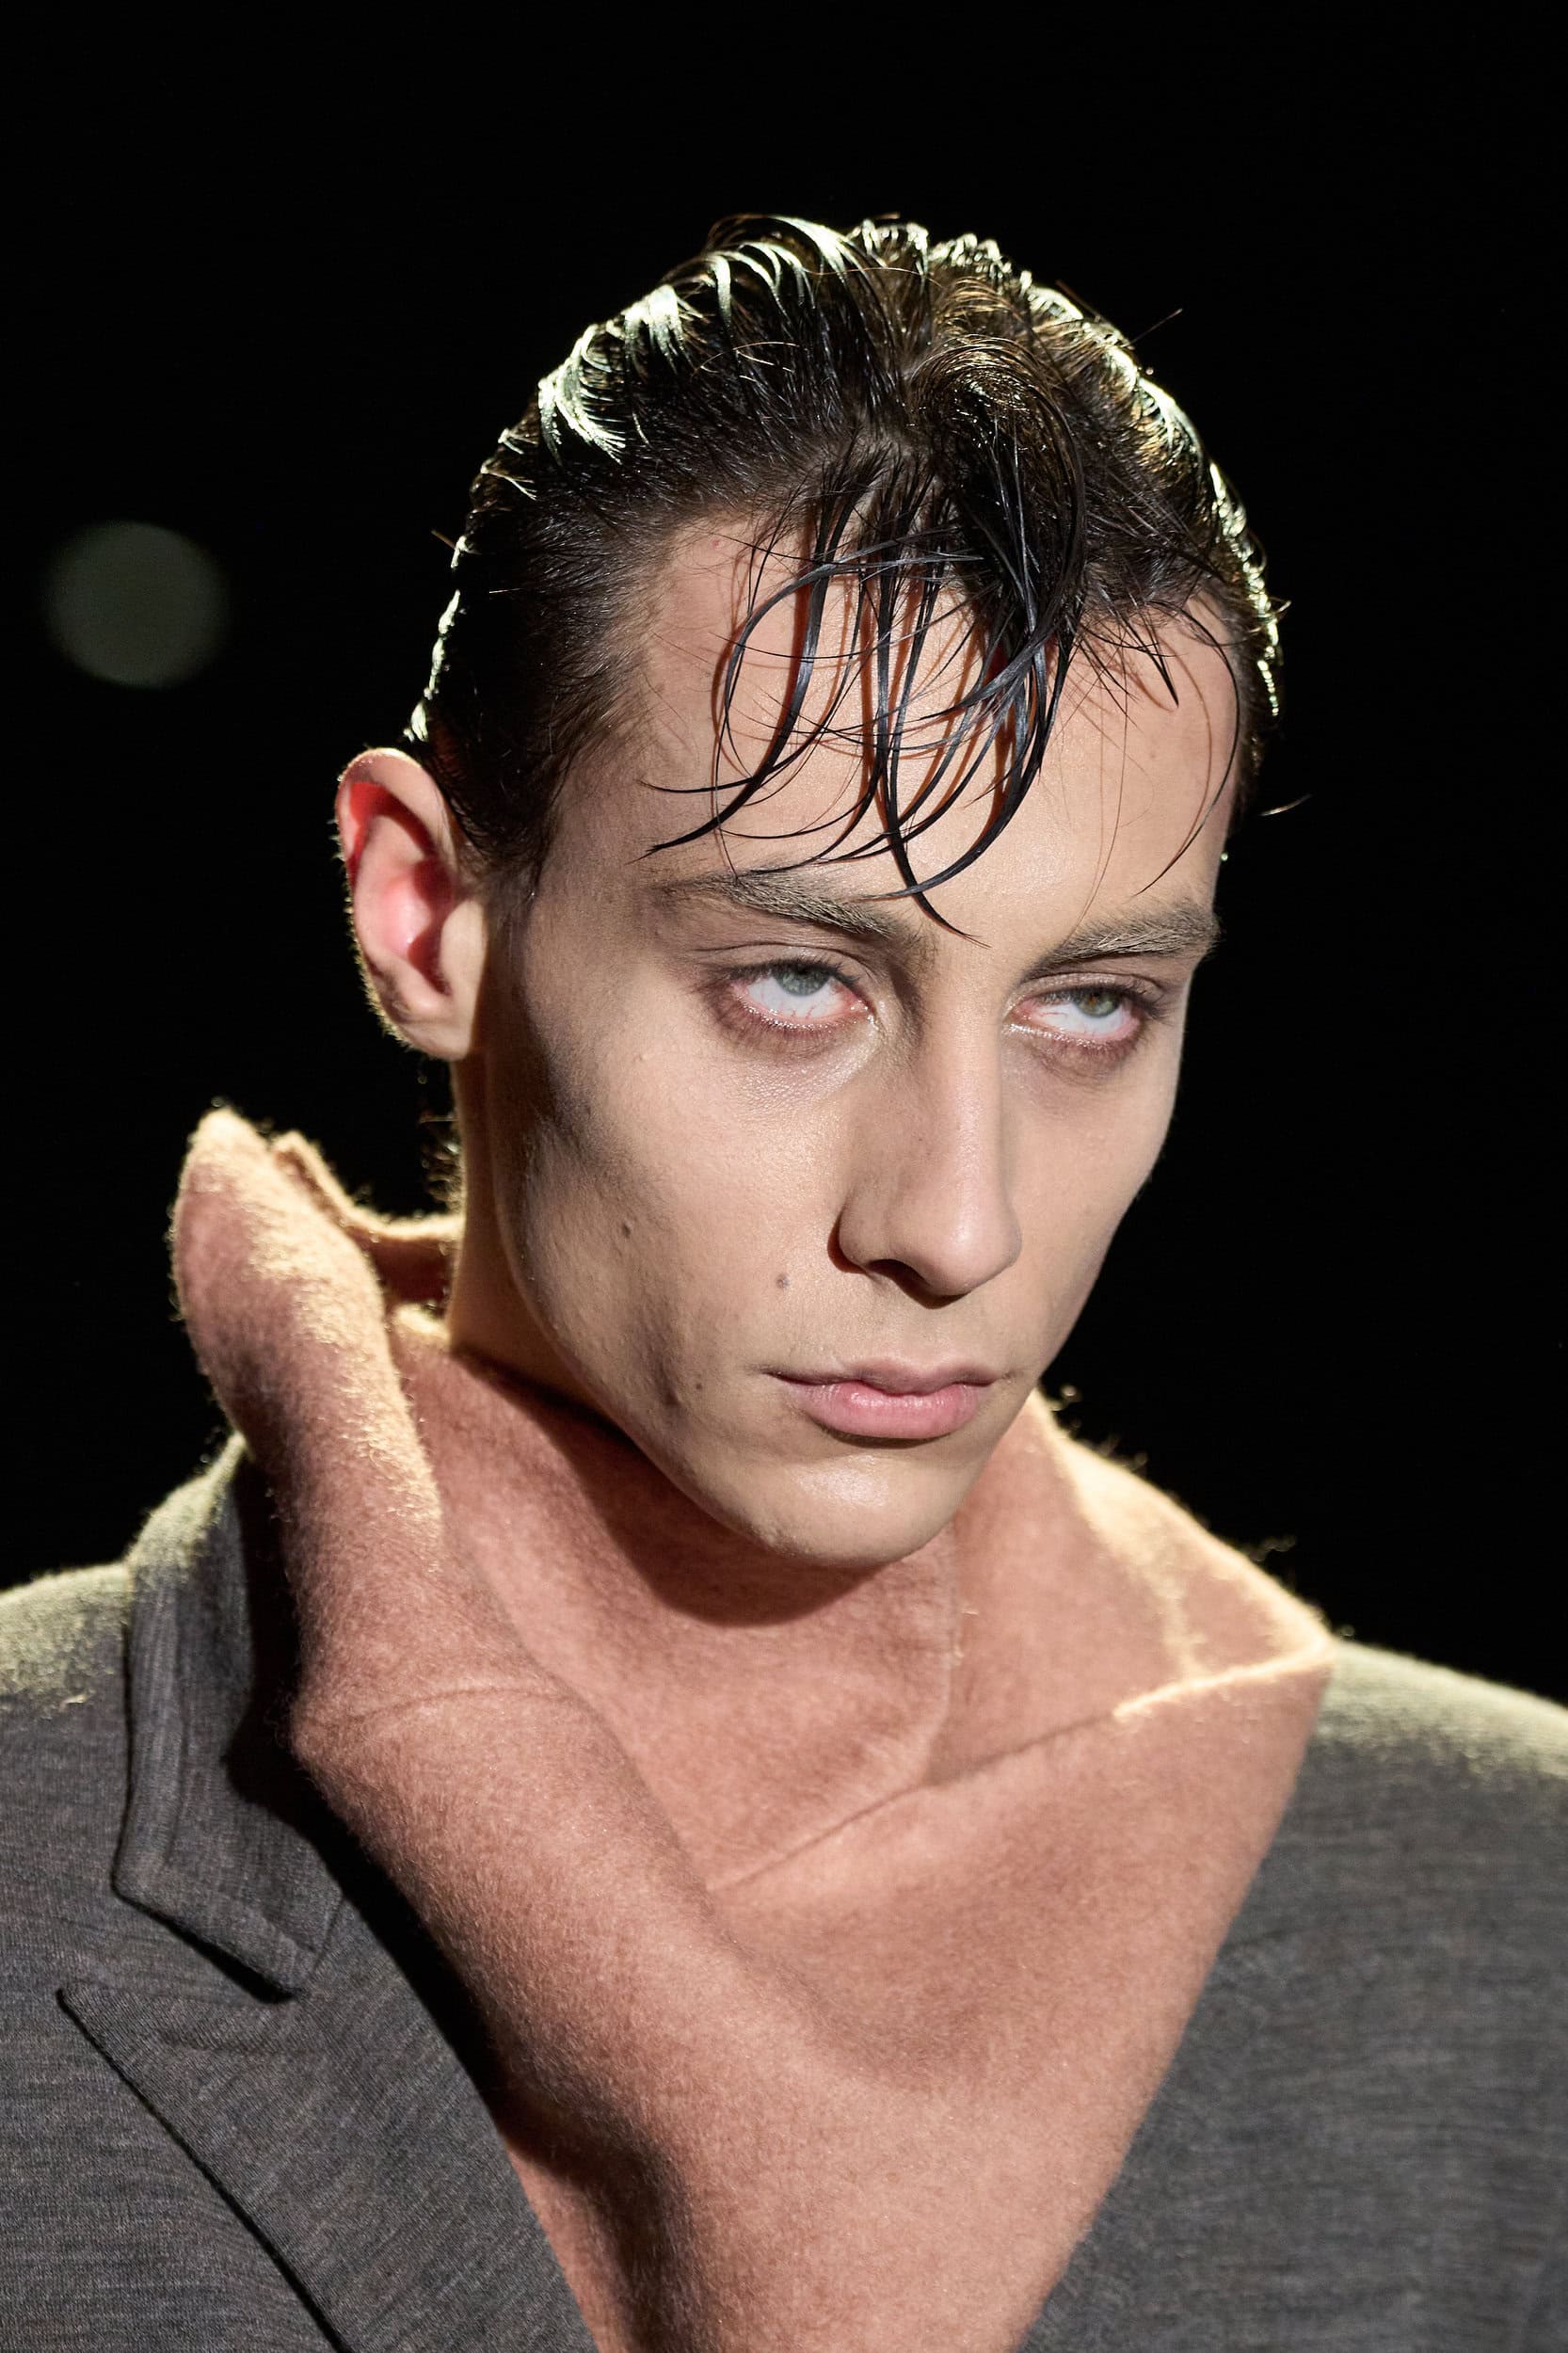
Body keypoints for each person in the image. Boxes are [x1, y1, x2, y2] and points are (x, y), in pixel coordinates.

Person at [2, 216, 1562, 2353]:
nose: (956, 1223)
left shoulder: (1509, 1938)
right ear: (425, 912)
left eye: (1091, 1005)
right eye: (797, 981)